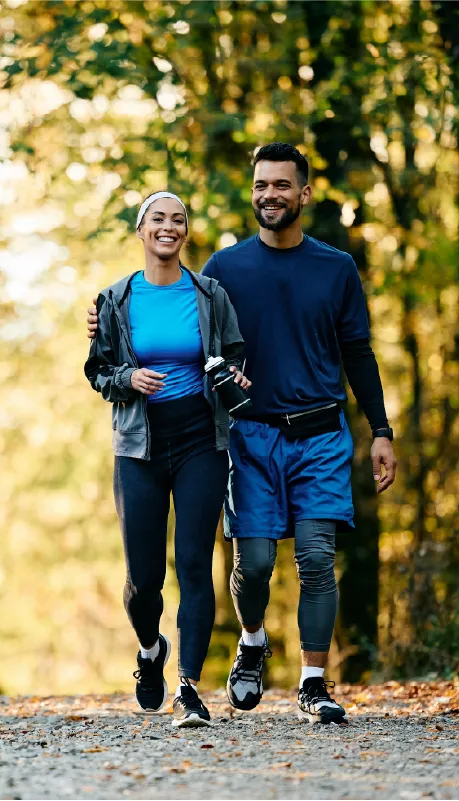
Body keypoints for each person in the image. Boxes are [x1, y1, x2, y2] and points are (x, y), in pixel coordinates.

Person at [87, 145, 397, 724]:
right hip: (249, 436)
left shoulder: (337, 268)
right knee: (252, 563)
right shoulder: (222, 272)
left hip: (320, 432)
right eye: (261, 185)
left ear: (304, 194)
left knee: (315, 558)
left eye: (282, 185)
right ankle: (251, 641)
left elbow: (358, 352)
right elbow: (174, 312)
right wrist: (103, 319)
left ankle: (313, 683)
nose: (270, 195)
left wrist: (380, 428)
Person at [84, 191, 252, 728]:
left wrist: (233, 376)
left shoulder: (209, 293)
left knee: (194, 569)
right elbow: (97, 371)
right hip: (139, 445)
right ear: (141, 229)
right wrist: (128, 379)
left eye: (179, 219)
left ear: (186, 232)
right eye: (159, 218)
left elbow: (234, 352)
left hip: (201, 439)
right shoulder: (114, 299)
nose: (169, 227)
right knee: (143, 580)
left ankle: (188, 688)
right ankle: (151, 648)